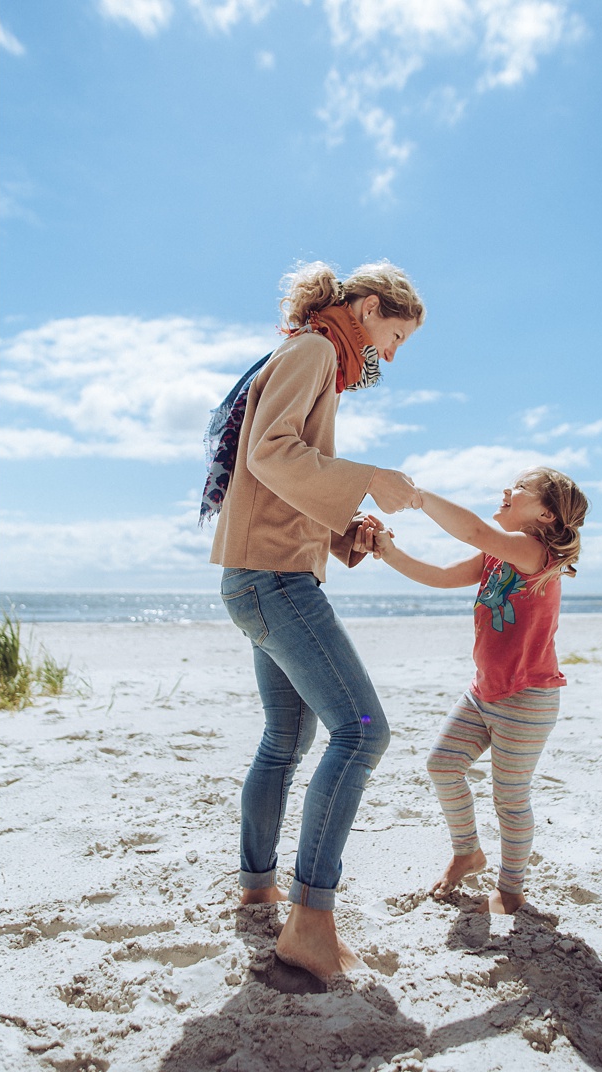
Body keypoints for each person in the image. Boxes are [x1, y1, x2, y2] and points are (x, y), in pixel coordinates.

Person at [207, 259, 424, 980]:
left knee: (286, 737)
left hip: (260, 572)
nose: (391, 355)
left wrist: (343, 530)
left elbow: (275, 479)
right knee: (364, 733)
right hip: (273, 580)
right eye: (394, 336)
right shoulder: (314, 351)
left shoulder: (307, 352)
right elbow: (270, 455)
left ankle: (257, 887)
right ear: (365, 309)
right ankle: (309, 921)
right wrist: (368, 477)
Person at [372, 467, 588, 913]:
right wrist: (388, 551)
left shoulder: (534, 551)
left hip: (526, 697)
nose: (508, 490)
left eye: (522, 488)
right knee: (442, 765)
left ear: (546, 514)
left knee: (509, 798)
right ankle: (467, 852)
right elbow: (438, 575)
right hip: (483, 691)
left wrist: (417, 497)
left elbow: (473, 529)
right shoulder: (496, 557)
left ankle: (510, 890)